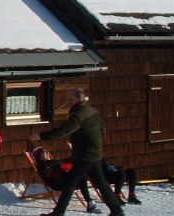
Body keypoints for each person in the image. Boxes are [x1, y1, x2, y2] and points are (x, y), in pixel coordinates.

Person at [30, 88, 124, 216]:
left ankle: (58, 213)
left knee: (70, 183)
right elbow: (103, 129)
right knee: (101, 184)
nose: (70, 101)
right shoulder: (93, 111)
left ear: (79, 98)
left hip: (84, 156)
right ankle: (117, 211)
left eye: (72, 99)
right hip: (95, 154)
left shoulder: (79, 115)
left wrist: (40, 136)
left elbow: (64, 131)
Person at [33, 147, 101, 214]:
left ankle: (90, 202)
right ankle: (90, 202)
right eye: (44, 152)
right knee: (81, 176)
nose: (47, 153)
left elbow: (63, 166)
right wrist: (64, 168)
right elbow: (52, 173)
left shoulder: (53, 161)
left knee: (82, 175)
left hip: (66, 179)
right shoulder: (42, 165)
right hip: (57, 183)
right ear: (38, 156)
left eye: (47, 152)